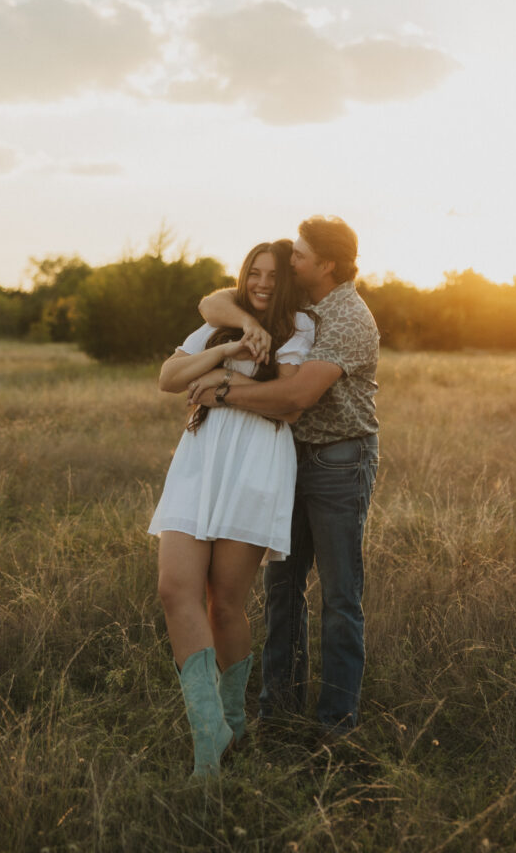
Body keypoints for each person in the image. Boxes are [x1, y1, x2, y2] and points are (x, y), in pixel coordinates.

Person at [196, 216, 380, 734]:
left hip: (339, 460)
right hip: (287, 460)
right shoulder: (298, 300)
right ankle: (278, 712)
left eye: (298, 255)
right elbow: (213, 302)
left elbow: (297, 398)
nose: (289, 261)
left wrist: (224, 391)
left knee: (340, 596)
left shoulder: (348, 317)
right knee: (282, 587)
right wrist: (251, 326)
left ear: (326, 264)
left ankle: (335, 724)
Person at [149, 240, 314, 776]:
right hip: (199, 462)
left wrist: (218, 383)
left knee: (223, 603)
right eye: (254, 273)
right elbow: (170, 379)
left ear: (286, 282)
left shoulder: (299, 329)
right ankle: (208, 737)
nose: (263, 283)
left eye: (272, 275)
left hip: (254, 463)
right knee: (176, 589)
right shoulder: (224, 326)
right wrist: (224, 351)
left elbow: (286, 398)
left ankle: (233, 729)